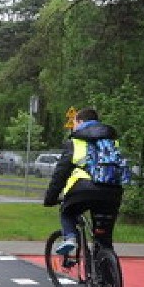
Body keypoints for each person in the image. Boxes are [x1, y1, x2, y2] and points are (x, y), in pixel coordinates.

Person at [44, 107, 124, 254]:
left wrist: (50, 198)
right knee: (104, 240)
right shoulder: (112, 141)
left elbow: (60, 174)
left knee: (67, 212)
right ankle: (108, 273)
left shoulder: (75, 142)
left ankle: (70, 238)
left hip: (83, 189)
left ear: (80, 121)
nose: (73, 126)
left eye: (74, 122)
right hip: (112, 191)